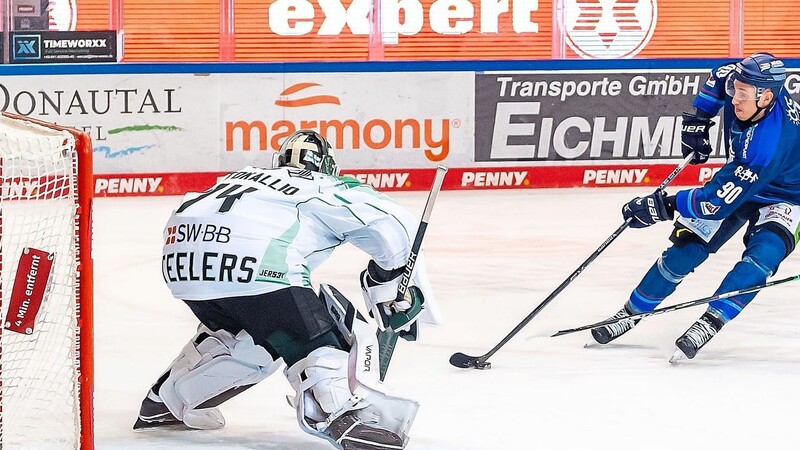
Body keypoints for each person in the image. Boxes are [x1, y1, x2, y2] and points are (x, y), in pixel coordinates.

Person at [133, 129, 440, 450]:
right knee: (323, 326)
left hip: (182, 261)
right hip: (255, 264)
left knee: (248, 342)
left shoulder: (245, 175)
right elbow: (393, 225)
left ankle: (167, 400)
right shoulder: (328, 184)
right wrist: (389, 286)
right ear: (328, 165)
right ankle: (339, 413)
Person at [589, 52, 800, 362]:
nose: (735, 99)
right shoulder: (742, 83)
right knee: (686, 247)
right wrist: (700, 117)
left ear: (767, 97)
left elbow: (713, 203)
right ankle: (631, 312)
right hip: (742, 177)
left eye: (742, 94)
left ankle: (711, 321)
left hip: (787, 194)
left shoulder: (765, 146)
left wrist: (662, 206)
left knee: (763, 256)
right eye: (735, 90)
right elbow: (719, 75)